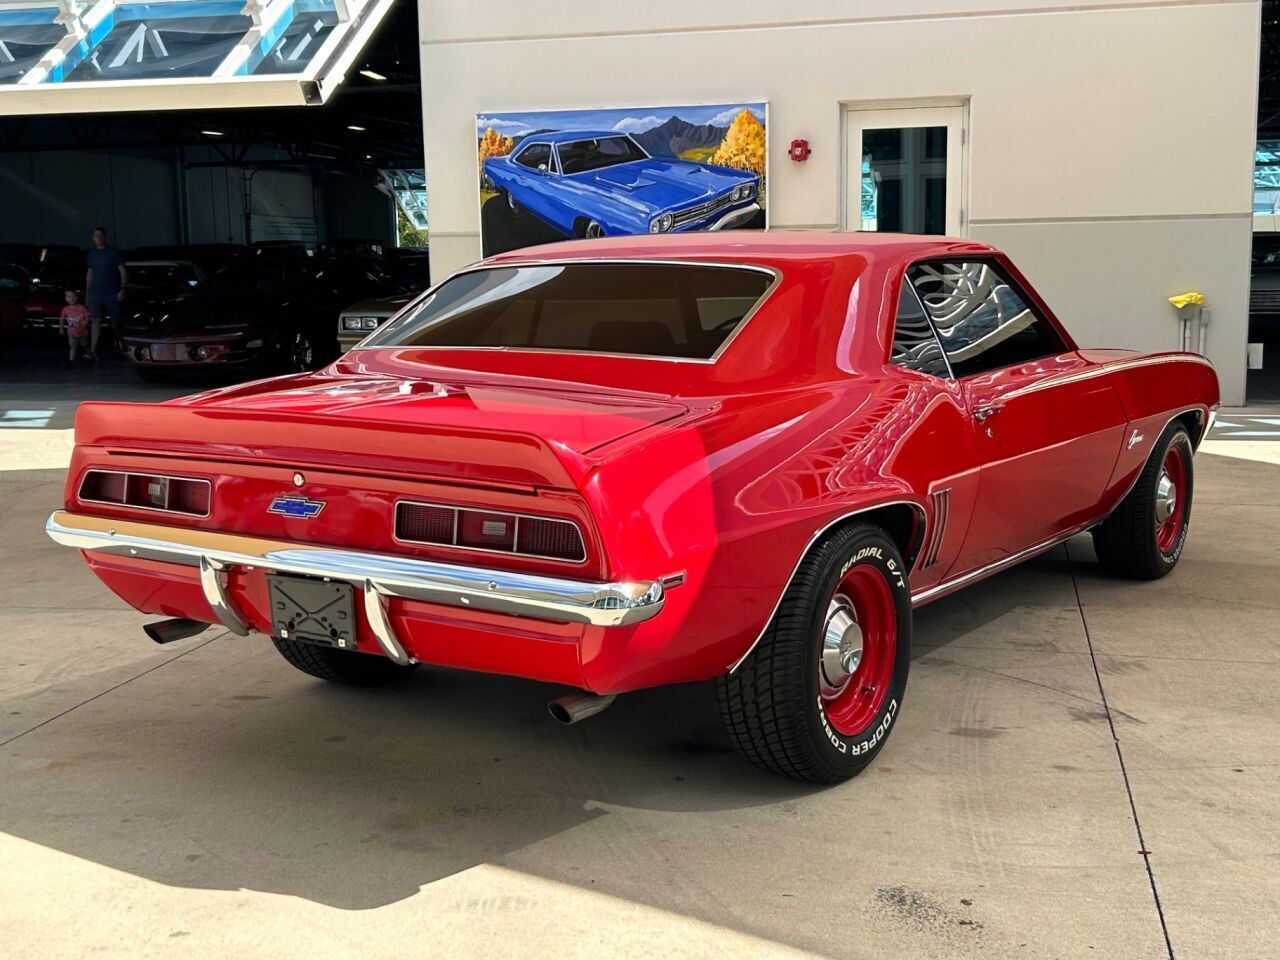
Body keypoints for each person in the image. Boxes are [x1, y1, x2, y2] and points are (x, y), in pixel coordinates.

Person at [84, 225, 126, 360]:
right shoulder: (91, 254)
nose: (98, 238)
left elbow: (123, 271)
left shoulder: (113, 253)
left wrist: (122, 288)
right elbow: (90, 274)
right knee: (95, 321)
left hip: (111, 293)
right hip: (95, 294)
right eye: (96, 236)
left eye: (101, 235)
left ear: (105, 237)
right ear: (93, 238)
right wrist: (87, 293)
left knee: (116, 322)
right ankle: (93, 350)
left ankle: (121, 349)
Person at [59, 289, 92, 367]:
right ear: (66, 299)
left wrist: (85, 324)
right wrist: (61, 328)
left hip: (82, 331)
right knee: (73, 345)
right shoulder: (65, 309)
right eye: (69, 297)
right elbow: (62, 319)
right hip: (72, 332)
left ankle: (89, 355)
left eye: (73, 296)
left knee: (85, 344)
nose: (72, 298)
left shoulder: (82, 307)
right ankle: (71, 361)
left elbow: (87, 316)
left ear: (77, 297)